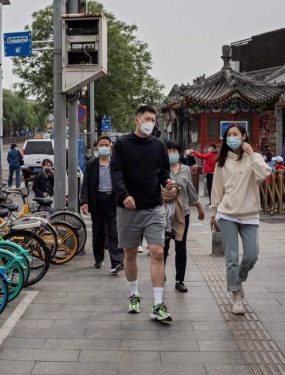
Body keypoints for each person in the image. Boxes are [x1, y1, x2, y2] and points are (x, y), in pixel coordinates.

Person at [110, 105, 176, 322]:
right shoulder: (122, 144)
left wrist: (168, 182)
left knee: (157, 252)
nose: (150, 122)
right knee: (129, 253)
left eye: (153, 119)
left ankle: (158, 304)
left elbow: (163, 172)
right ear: (137, 120)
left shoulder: (159, 146)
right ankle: (134, 295)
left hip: (154, 207)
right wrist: (123, 195)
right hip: (128, 208)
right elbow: (116, 172)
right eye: (147, 118)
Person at [210, 123, 270, 315]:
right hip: (227, 213)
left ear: (244, 136)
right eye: (229, 135)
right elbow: (217, 189)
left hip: (250, 214)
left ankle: (239, 278)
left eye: (236, 134)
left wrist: (252, 154)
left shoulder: (255, 158)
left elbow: (264, 175)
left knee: (252, 255)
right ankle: (236, 295)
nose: (232, 138)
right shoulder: (222, 161)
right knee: (232, 257)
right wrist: (213, 213)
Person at [163, 140, 205, 293]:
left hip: (183, 213)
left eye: (174, 151)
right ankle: (160, 273)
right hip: (164, 214)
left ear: (179, 153)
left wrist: (199, 207)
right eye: (168, 151)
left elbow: (191, 190)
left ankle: (180, 280)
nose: (171, 154)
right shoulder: (161, 168)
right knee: (164, 246)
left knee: (181, 247)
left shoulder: (186, 169)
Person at [80, 135, 125, 274]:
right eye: (101, 145)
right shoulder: (91, 165)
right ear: (96, 148)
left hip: (113, 199)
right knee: (98, 231)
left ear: (111, 147)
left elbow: (123, 181)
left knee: (114, 230)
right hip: (97, 200)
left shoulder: (117, 163)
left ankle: (117, 262)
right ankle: (98, 258)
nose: (104, 148)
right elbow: (85, 184)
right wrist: (84, 202)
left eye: (106, 145)